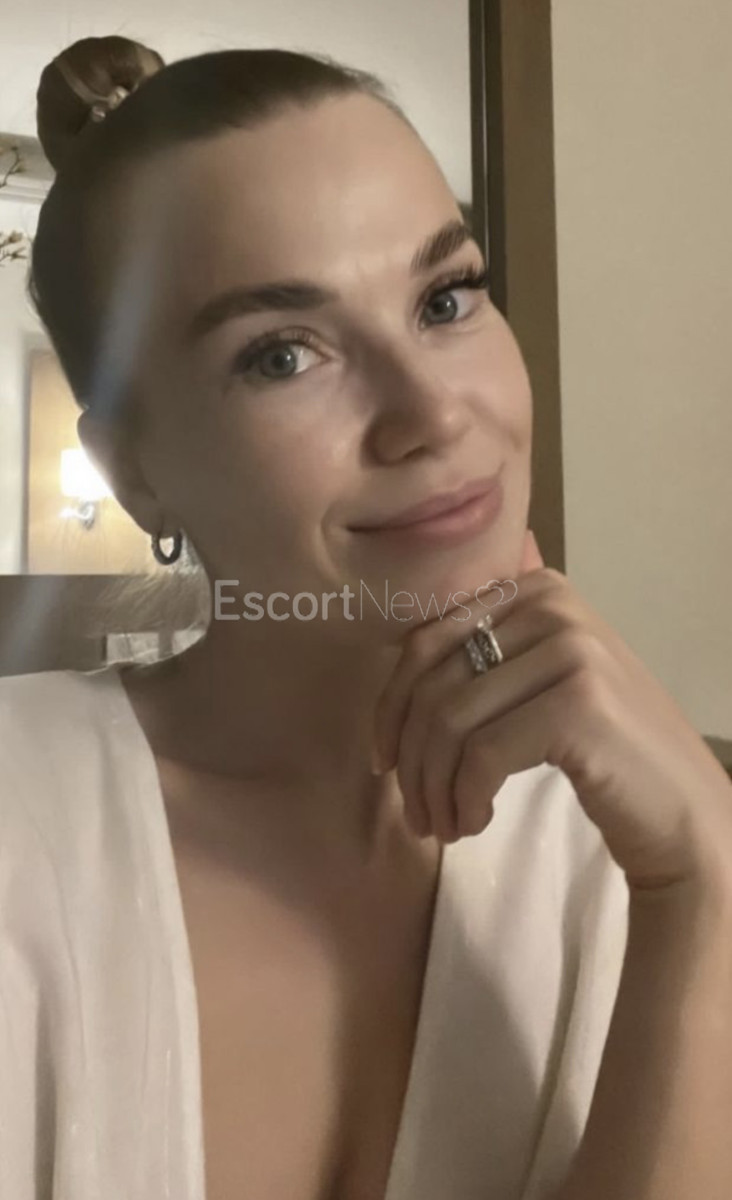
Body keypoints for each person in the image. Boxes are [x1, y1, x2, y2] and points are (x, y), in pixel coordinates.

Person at [1, 33, 731, 1200]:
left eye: (446, 298)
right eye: (281, 355)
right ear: (132, 467)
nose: (432, 415)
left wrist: (704, 886)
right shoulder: (22, 820)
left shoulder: (625, 842)